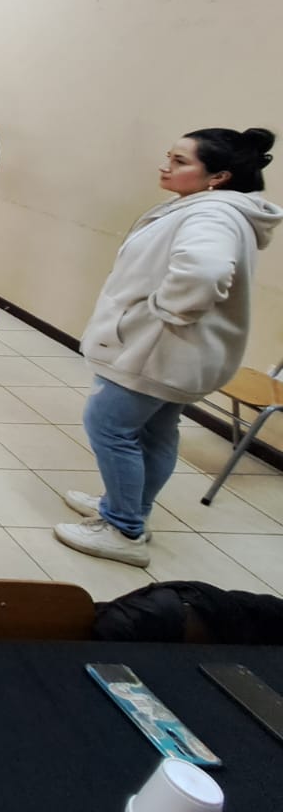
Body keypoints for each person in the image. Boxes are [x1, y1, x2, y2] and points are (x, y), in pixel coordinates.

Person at [56, 128, 278, 566]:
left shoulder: (212, 215)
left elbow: (204, 274)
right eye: (169, 157)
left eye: (180, 161)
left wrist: (161, 311)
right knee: (156, 431)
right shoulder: (216, 208)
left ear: (219, 176)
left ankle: (123, 527)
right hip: (176, 353)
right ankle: (127, 509)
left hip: (159, 349)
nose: (166, 166)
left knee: (109, 426)